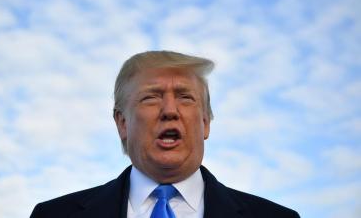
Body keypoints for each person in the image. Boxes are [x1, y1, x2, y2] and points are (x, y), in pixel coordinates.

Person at [30, 51, 300, 218]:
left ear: (205, 122)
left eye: (185, 97)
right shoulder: (52, 215)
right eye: (151, 97)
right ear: (122, 123)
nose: (170, 110)